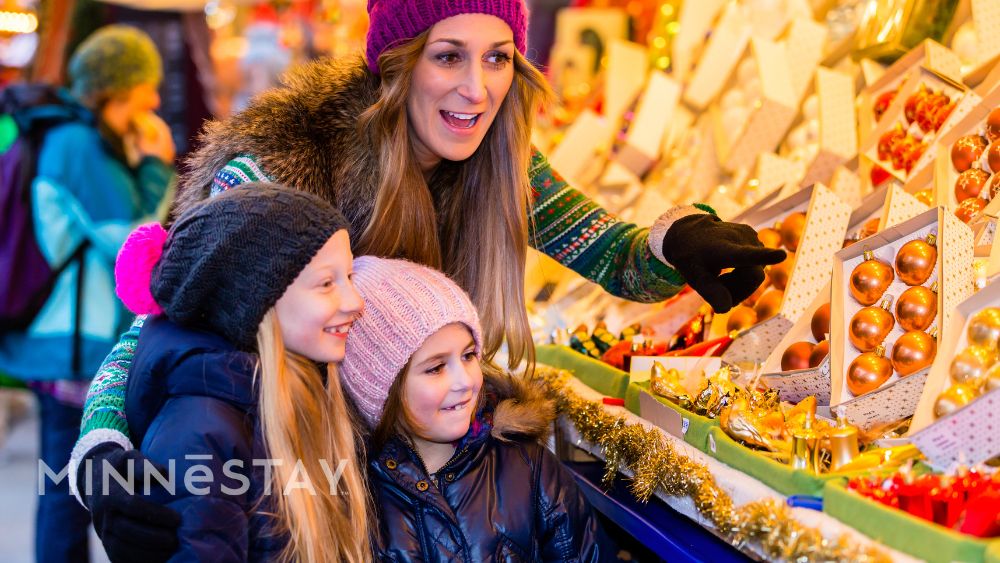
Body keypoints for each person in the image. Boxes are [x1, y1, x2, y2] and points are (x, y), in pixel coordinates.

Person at [71, 2, 785, 558]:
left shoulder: (498, 161)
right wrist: (101, 454)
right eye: (448, 56)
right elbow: (159, 323)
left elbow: (609, 251)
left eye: (499, 58)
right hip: (288, 498)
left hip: (398, 495)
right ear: (398, 63)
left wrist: (675, 242)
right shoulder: (287, 161)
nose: (477, 89)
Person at [110, 185, 371, 562]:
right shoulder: (200, 436)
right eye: (327, 283)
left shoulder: (291, 391)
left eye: (350, 276)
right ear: (252, 299)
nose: (355, 302)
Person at [0, 25, 175, 562]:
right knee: (68, 486)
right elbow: (130, 238)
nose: (154, 97)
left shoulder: (70, 135)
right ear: (118, 87)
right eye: (147, 84)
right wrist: (155, 162)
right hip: (72, 342)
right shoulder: (78, 143)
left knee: (67, 483)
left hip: (61, 336)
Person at [340, 256, 610, 561]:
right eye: (436, 368)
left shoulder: (529, 468)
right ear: (381, 388)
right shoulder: (355, 494)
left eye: (468, 356)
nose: (464, 381)